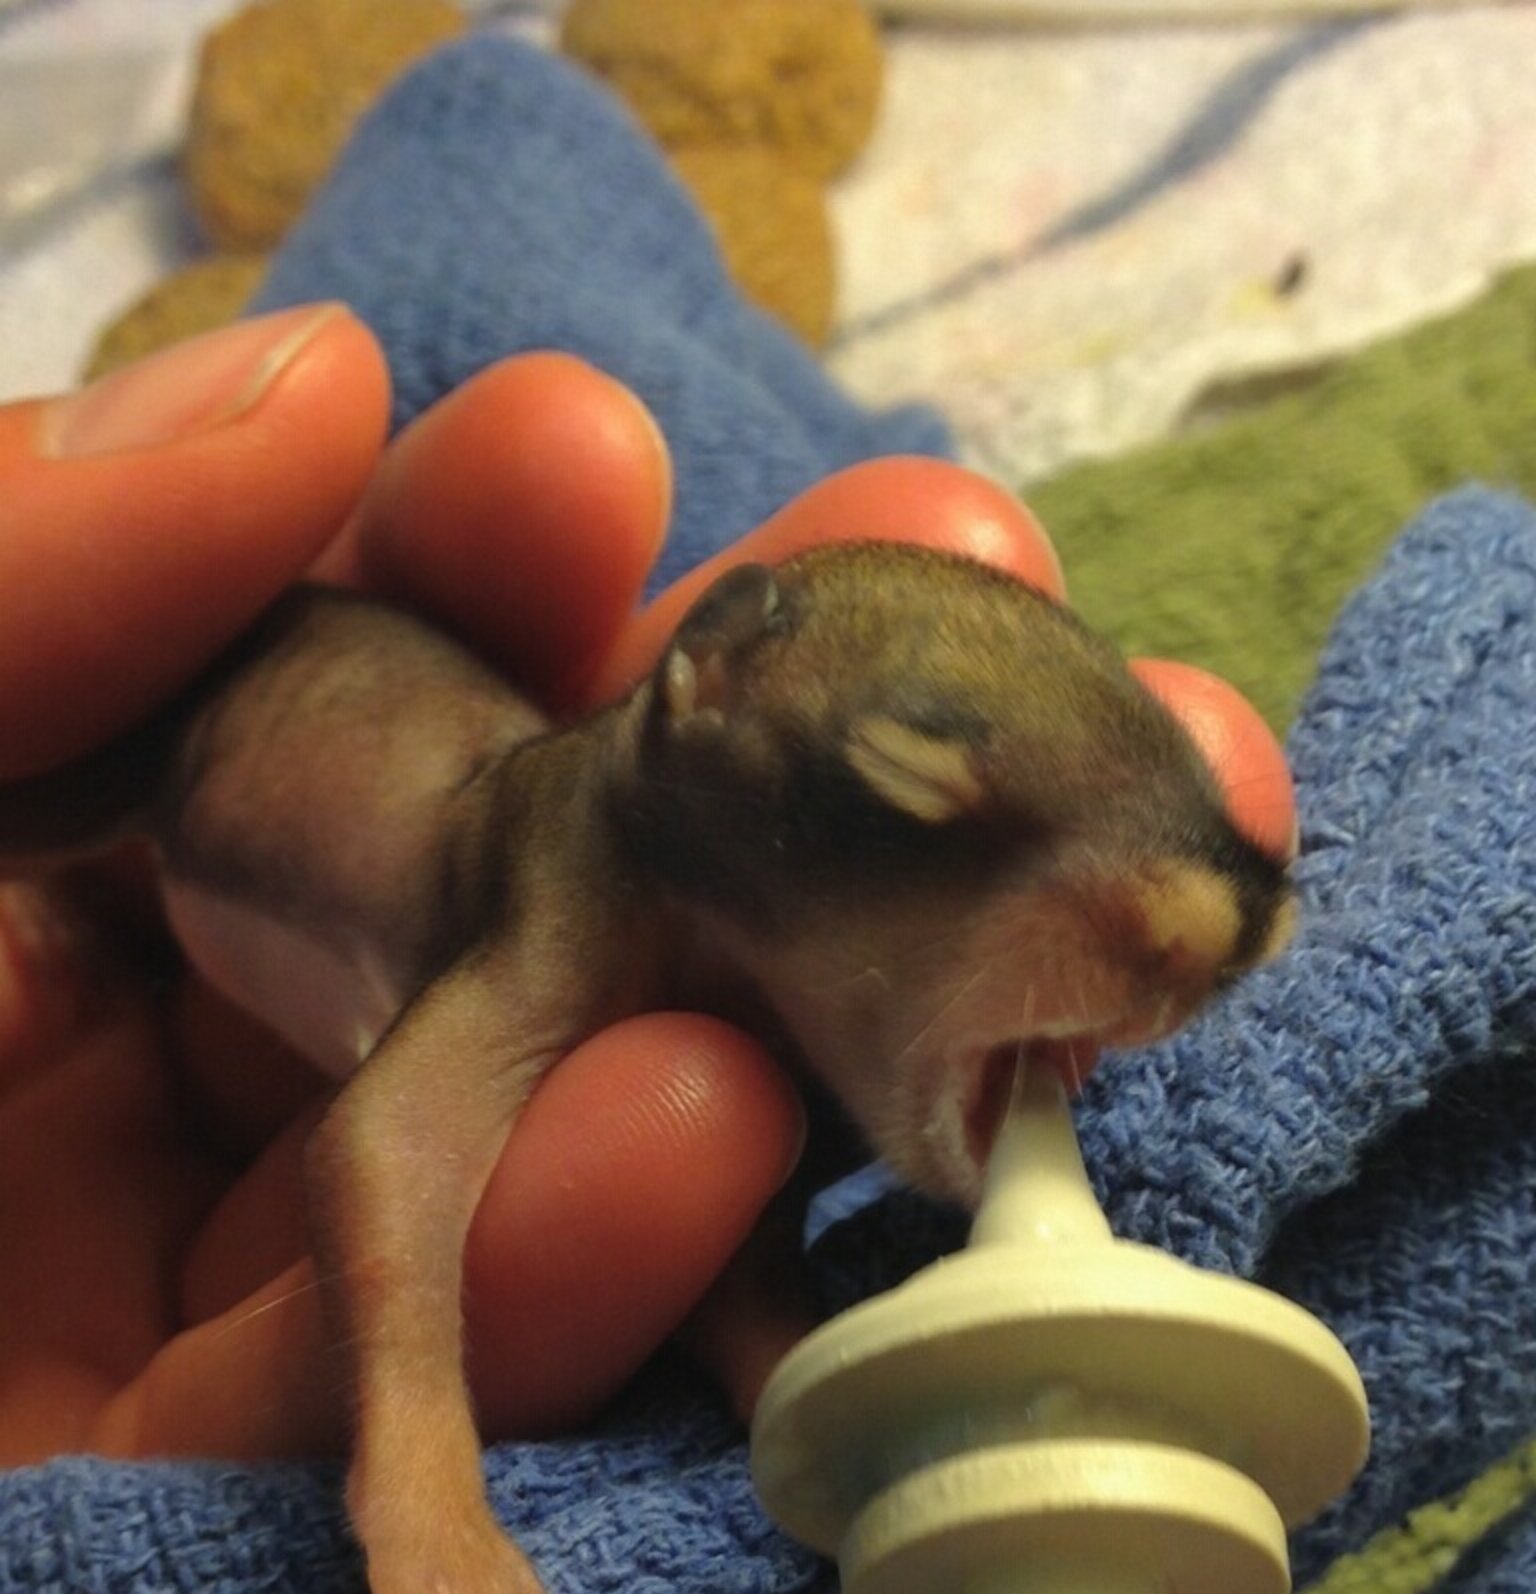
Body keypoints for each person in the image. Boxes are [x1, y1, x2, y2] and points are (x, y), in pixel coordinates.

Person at [0, 305, 1292, 1469]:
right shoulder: (578, 885)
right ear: (706, 693)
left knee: (699, 1146)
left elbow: (728, 1236)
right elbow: (388, 1136)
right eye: (928, 797)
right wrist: (422, 1468)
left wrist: (789, 1375)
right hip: (179, 750)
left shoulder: (734, 981)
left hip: (181, 1010)